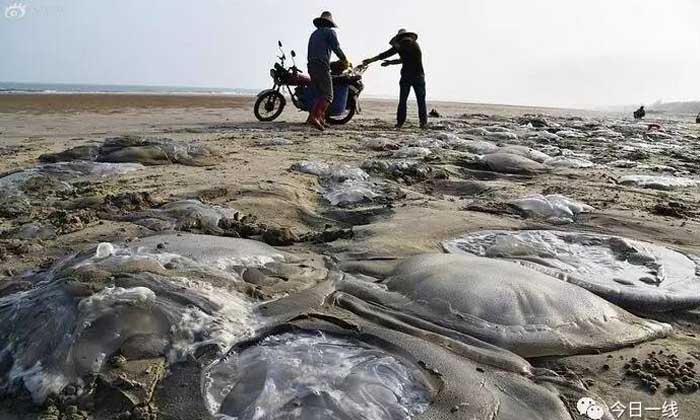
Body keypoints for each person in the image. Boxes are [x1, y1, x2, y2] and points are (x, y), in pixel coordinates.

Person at [363, 29, 427, 128]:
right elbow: (403, 59)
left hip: (409, 77)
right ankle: (423, 123)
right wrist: (390, 62)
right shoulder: (412, 45)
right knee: (420, 101)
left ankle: (400, 123)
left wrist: (370, 60)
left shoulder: (404, 44)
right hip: (418, 77)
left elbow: (385, 54)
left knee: (404, 100)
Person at [306, 11, 348, 131]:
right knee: (328, 95)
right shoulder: (330, 32)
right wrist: (345, 59)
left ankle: (319, 119)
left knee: (319, 95)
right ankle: (315, 117)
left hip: (311, 66)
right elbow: (336, 48)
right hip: (321, 66)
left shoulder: (314, 33)